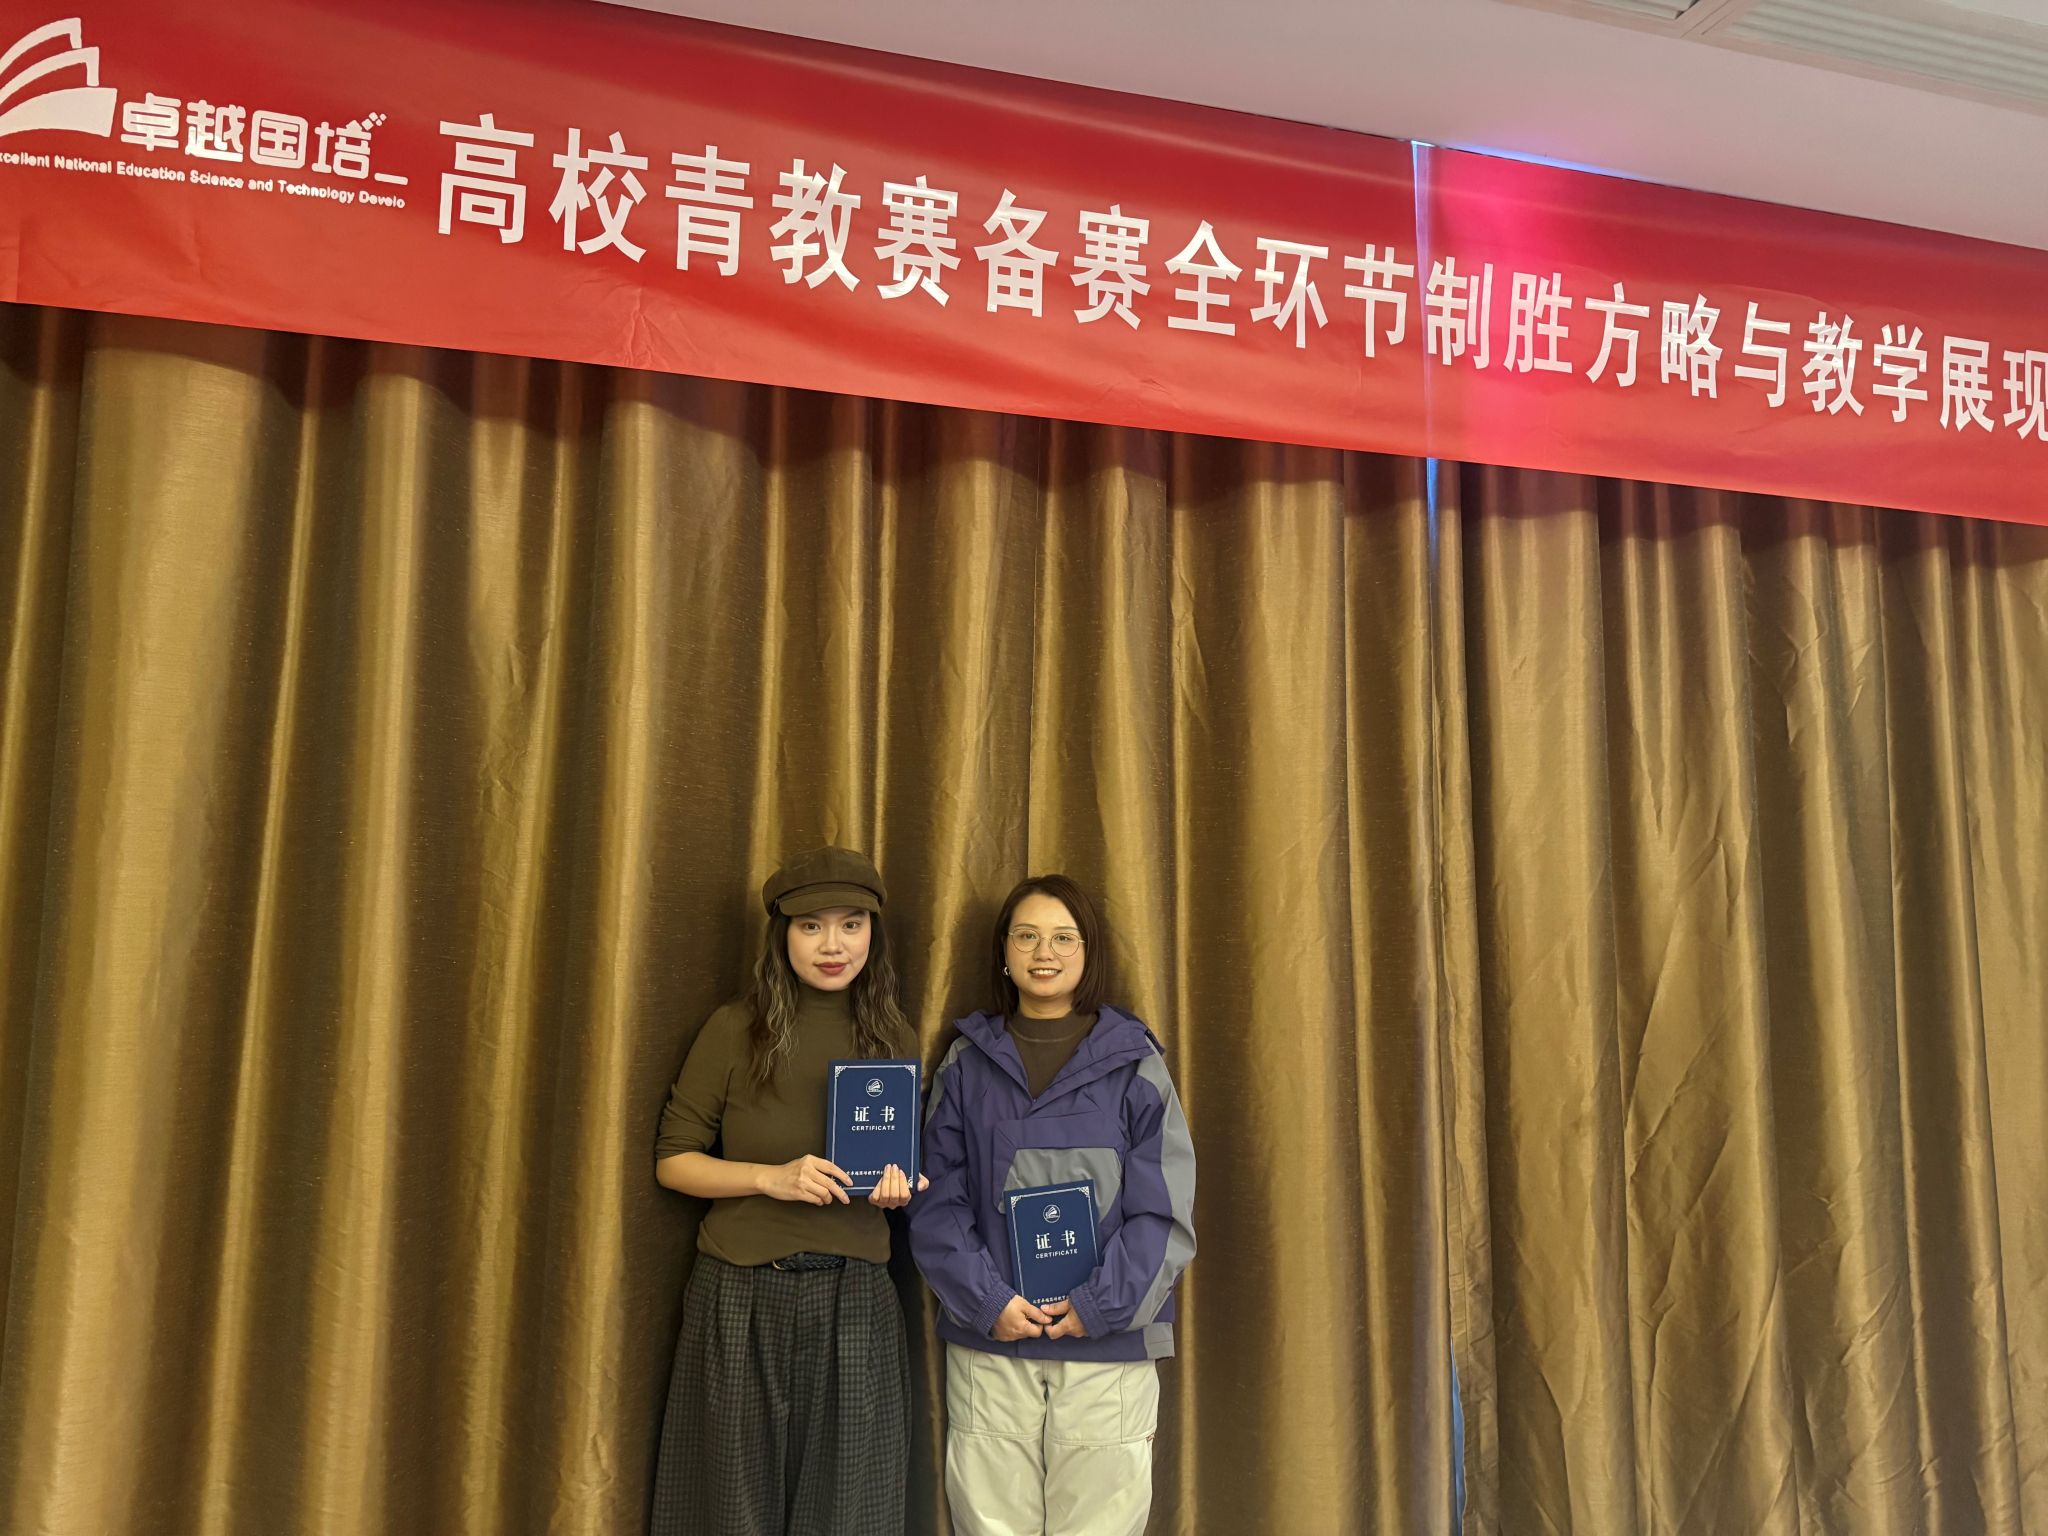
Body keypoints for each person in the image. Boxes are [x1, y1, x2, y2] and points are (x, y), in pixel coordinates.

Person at [909, 874, 1196, 1536]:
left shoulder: (1135, 1064)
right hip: (992, 1340)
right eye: (1028, 936)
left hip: (1108, 1345)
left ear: (1089, 951)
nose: (1045, 952)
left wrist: (1097, 1306)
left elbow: (1164, 1211)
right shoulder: (966, 1063)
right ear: (1003, 952)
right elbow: (937, 1199)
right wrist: (988, 1302)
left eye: (1064, 937)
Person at [650, 846, 924, 1536]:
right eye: (811, 926)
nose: (834, 945)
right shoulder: (733, 1029)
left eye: (851, 924)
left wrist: (901, 1189)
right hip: (738, 1293)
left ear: (873, 932)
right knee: (726, 1513)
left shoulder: (894, 1036)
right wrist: (769, 1178)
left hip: (856, 1299)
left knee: (850, 1518)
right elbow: (673, 1162)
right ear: (782, 935)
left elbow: (903, 1167)